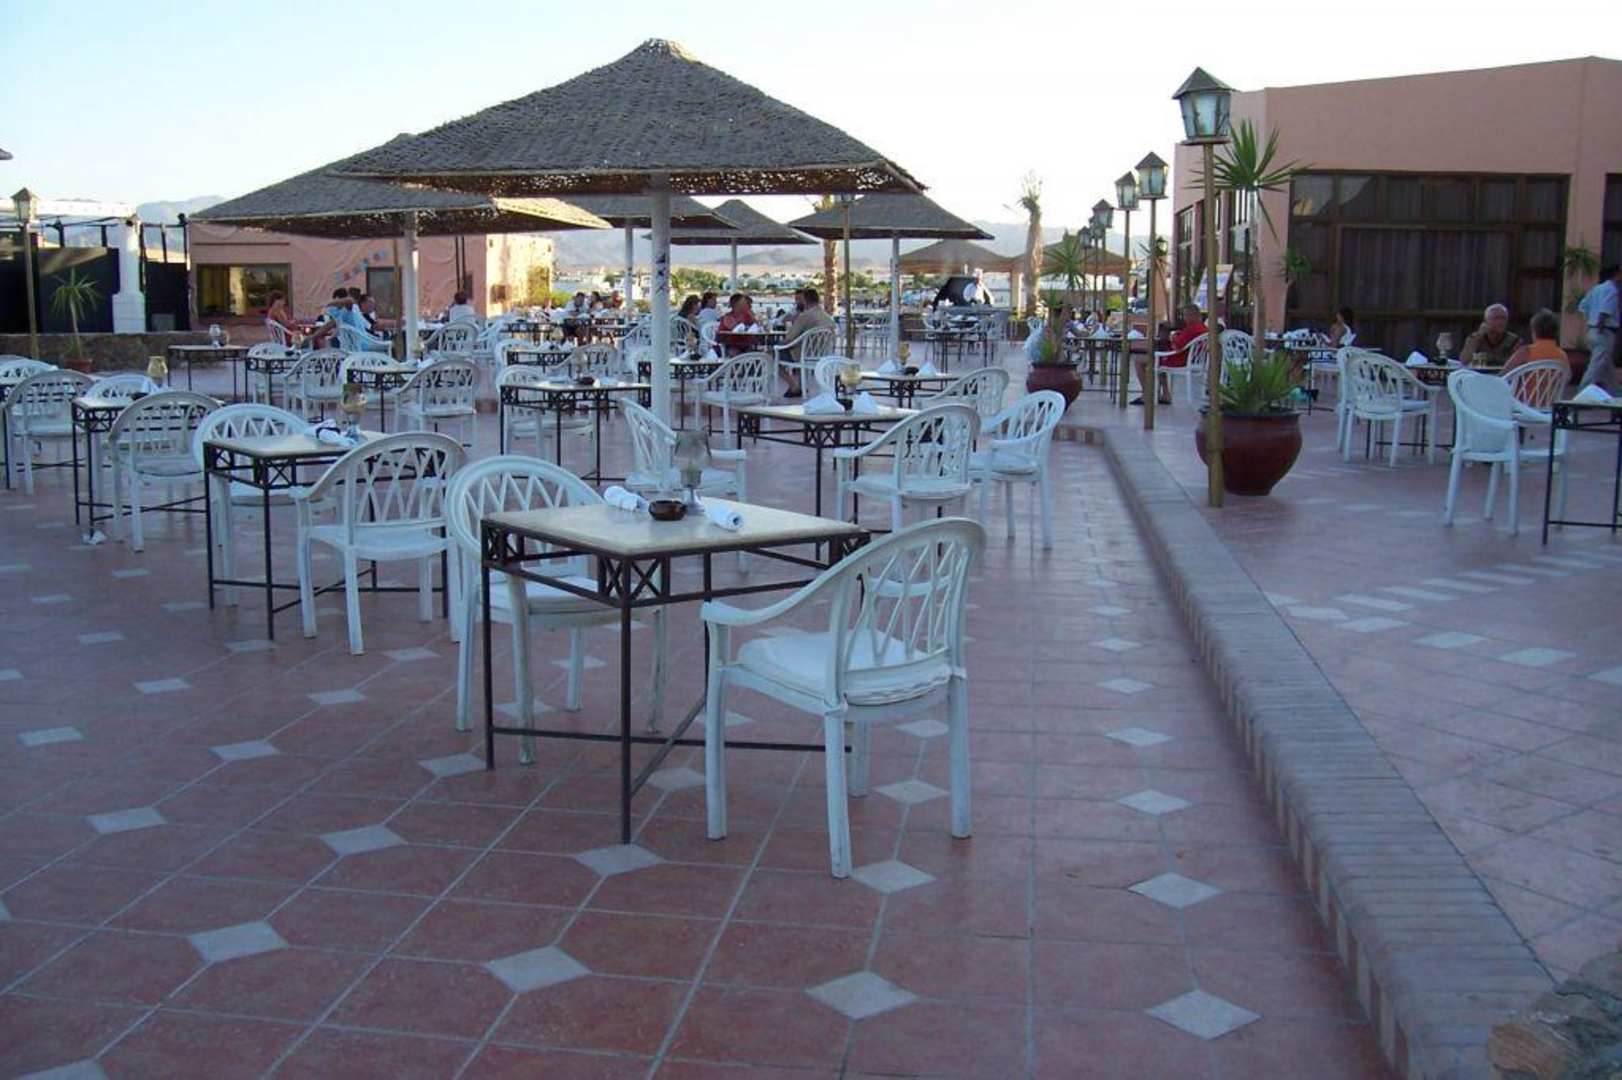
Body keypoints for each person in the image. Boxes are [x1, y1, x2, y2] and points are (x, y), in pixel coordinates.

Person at [1132, 304, 1205, 406]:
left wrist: (1172, 336)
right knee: (1159, 358)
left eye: (1186, 315)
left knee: (1138, 360)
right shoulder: (1202, 328)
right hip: (1188, 359)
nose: (1184, 318)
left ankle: (1146, 394)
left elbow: (1177, 345)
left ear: (1192, 315)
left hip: (1179, 360)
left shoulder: (1192, 329)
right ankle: (1166, 393)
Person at [782, 286, 836, 397]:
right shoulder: (826, 316)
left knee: (771, 354)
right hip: (822, 354)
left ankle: (794, 386)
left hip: (804, 354)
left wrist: (777, 346)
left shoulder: (805, 316)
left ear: (804, 300)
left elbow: (789, 338)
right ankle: (800, 385)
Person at [1577, 264, 1621, 393]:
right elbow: (1605, 311)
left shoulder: (1596, 289)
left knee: (1605, 365)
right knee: (1597, 365)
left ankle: (1616, 391)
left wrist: (1590, 321)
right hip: (1604, 331)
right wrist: (1599, 325)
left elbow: (1582, 306)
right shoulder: (1612, 290)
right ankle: (1582, 391)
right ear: (1617, 274)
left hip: (1592, 330)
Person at [1503, 308, 1569, 385]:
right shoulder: (1562, 355)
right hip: (1552, 393)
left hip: (1524, 393)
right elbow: (1567, 378)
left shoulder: (1526, 352)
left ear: (1534, 331)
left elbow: (1504, 374)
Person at [1461, 303, 1521, 367]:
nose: (1500, 322)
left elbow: (1518, 365)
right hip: (1479, 372)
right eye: (1495, 318)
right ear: (1486, 321)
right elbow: (1464, 361)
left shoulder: (1514, 340)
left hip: (1504, 372)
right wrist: (1478, 338)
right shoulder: (1474, 338)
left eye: (1503, 318)